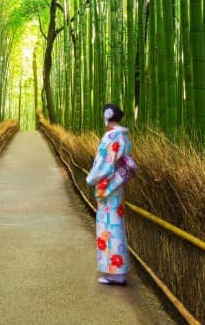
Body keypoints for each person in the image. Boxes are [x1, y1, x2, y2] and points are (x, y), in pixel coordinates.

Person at [85, 103, 131, 286]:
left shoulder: (111, 136)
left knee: (108, 228)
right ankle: (118, 271)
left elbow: (104, 163)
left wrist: (91, 178)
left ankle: (114, 273)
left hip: (109, 185)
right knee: (116, 225)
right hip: (118, 185)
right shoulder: (124, 136)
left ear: (107, 116)